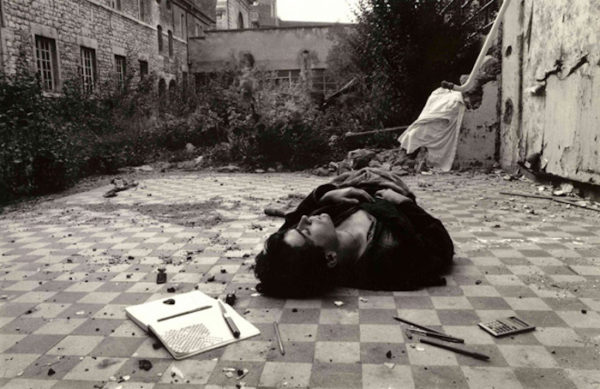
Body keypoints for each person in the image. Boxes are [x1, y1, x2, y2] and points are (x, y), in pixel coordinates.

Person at [254, 168, 454, 297]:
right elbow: (440, 243)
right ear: (330, 258)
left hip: (350, 182)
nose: (304, 220)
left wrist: (327, 195)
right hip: (391, 187)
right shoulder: (391, 256)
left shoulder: (294, 247)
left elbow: (294, 218)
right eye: (306, 231)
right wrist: (405, 203)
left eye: (299, 226)